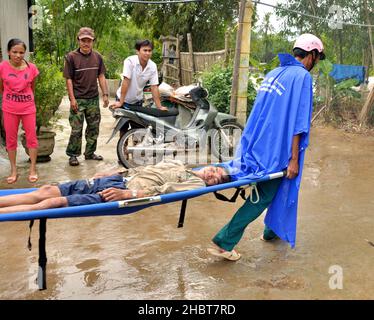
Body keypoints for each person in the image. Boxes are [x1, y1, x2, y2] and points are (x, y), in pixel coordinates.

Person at [207, 33, 325, 261]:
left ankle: (271, 232)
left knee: (281, 188)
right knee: (263, 196)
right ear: (311, 55)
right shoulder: (301, 77)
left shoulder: (274, 73)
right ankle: (223, 241)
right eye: (317, 58)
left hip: (259, 147)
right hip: (277, 153)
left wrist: (246, 149)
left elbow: (258, 113)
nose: (316, 63)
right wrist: (292, 158)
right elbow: (299, 123)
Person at [0, 159, 230, 214]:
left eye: (218, 180)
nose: (214, 175)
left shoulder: (195, 183)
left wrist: (130, 193)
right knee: (46, 191)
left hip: (120, 193)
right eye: (217, 170)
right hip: (116, 180)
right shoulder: (181, 164)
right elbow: (145, 169)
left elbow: (164, 191)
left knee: (53, 202)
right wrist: (115, 172)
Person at [63, 27, 109, 167]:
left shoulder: (98, 57)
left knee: (93, 128)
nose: (86, 43)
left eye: (89, 40)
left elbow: (101, 76)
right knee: (76, 129)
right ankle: (73, 155)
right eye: (83, 40)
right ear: (78, 40)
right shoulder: (71, 57)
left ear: (92, 41)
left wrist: (105, 94)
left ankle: (90, 153)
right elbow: (68, 79)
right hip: (78, 99)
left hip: (93, 99)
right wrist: (72, 99)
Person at [0, 38, 40, 184]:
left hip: (28, 108)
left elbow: (32, 88)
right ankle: (13, 170)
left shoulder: (32, 68)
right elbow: (2, 88)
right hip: (9, 108)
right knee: (11, 139)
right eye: (14, 52)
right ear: (8, 52)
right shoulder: (2, 67)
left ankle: (33, 169)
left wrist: (27, 101)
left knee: (32, 138)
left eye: (21, 52)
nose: (18, 55)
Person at [110, 40, 167, 111]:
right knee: (123, 121)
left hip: (137, 101)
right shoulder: (130, 61)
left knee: (137, 121)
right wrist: (120, 102)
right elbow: (126, 81)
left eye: (149, 51)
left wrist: (159, 107)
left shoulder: (153, 66)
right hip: (122, 99)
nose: (147, 53)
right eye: (145, 50)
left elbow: (154, 87)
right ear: (137, 51)